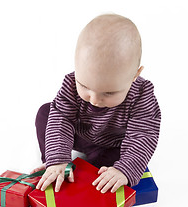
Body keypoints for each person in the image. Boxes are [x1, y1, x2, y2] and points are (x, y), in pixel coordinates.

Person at [31, 13, 161, 194]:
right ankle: (55, 165)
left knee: (109, 167)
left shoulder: (141, 95)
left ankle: (93, 169)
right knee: (47, 113)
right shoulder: (70, 83)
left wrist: (124, 169)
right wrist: (58, 158)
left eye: (108, 93)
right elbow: (61, 119)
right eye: (84, 86)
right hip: (80, 134)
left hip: (114, 143)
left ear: (134, 76)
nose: (94, 100)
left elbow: (143, 135)